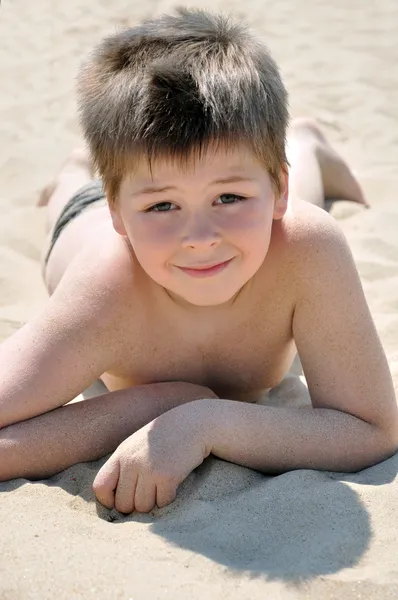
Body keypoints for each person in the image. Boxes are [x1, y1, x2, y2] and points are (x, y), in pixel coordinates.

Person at [0, 7, 397, 515]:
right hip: (84, 226)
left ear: (279, 189)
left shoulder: (304, 245)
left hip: (259, 211)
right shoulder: (106, 289)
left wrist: (205, 421)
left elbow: (372, 429)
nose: (200, 238)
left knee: (292, 221)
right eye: (162, 206)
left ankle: (305, 144)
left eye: (228, 198)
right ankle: (76, 176)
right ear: (120, 213)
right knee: (73, 205)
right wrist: (157, 405)